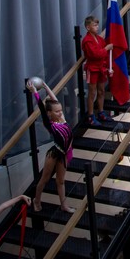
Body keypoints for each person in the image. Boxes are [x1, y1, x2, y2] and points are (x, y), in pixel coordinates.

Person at [26, 80, 75, 214]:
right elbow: (42, 108)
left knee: (60, 181)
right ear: (50, 113)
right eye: (57, 111)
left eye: (60, 110)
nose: (60, 113)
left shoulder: (62, 120)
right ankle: (37, 200)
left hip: (64, 154)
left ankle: (64, 205)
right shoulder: (50, 124)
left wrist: (45, 86)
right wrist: (35, 92)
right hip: (54, 153)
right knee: (45, 179)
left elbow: (55, 99)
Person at [81, 15, 114, 125]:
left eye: (97, 25)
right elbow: (96, 54)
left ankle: (101, 112)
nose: (97, 27)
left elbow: (104, 56)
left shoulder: (99, 39)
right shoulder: (87, 40)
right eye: (94, 25)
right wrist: (106, 48)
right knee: (92, 92)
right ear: (88, 27)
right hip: (93, 68)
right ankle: (91, 115)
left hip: (101, 68)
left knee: (101, 90)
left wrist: (108, 68)